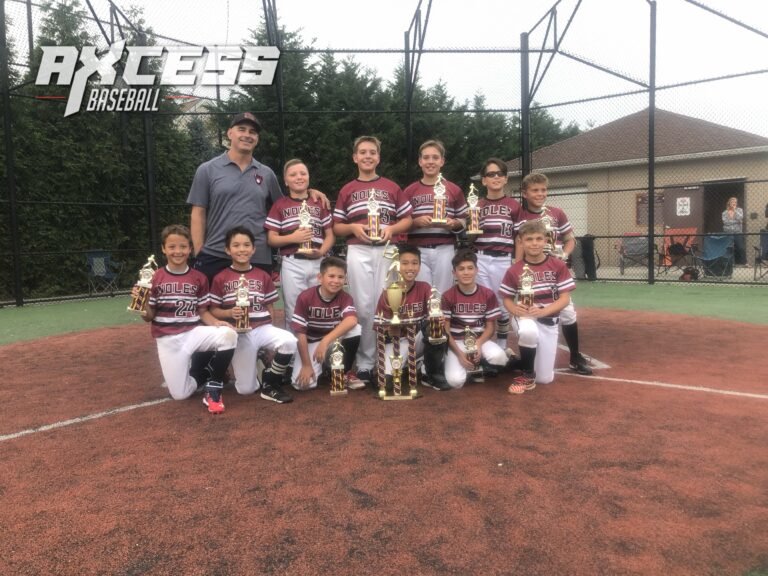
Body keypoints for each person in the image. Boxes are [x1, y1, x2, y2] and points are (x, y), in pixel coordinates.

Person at [187, 112, 329, 281]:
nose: (247, 135)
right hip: (216, 253)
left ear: (257, 139)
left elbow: (286, 205)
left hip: (257, 255)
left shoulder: (266, 173)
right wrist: (199, 251)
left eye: (252, 132)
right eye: (242, 129)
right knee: (211, 300)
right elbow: (198, 213)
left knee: (257, 300)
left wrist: (309, 192)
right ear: (230, 133)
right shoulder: (207, 169)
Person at [332, 136, 413, 385]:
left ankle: (386, 360)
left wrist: (392, 229)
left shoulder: (392, 187)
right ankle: (366, 363)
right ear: (355, 157)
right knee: (363, 305)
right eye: (363, 152)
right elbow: (337, 226)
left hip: (387, 249)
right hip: (359, 249)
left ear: (378, 157)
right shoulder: (347, 189)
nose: (367, 156)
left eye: (372, 152)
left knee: (387, 303)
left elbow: (407, 219)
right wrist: (353, 228)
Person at [135, 224, 237, 414]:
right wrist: (141, 304)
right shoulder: (155, 277)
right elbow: (149, 317)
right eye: (172, 247)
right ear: (163, 249)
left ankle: (213, 387)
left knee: (228, 335)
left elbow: (202, 312)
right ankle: (204, 373)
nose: (178, 251)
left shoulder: (198, 277)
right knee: (180, 395)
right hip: (168, 339)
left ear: (190, 249)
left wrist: (216, 323)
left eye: (183, 246)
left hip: (192, 333)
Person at [514, 172, 592, 376]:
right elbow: (519, 245)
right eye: (535, 190)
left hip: (555, 271)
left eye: (544, 190)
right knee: (529, 311)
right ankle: (527, 357)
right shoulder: (520, 216)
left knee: (567, 312)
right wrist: (519, 268)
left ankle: (575, 356)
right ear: (525, 193)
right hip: (531, 273)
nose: (540, 194)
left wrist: (564, 254)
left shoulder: (557, 213)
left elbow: (570, 239)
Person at [209, 226, 297, 404]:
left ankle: (271, 383)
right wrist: (229, 312)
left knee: (289, 341)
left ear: (253, 249)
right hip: (240, 334)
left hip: (262, 327)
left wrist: (271, 336)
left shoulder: (262, 275)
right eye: (236, 245)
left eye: (246, 245)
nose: (242, 249)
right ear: (228, 250)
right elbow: (213, 310)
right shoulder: (220, 278)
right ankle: (258, 361)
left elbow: (270, 306)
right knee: (246, 390)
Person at [501, 220, 575, 394]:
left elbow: (565, 299)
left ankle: (514, 362)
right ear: (521, 242)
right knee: (528, 332)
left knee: (544, 379)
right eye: (529, 239)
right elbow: (507, 298)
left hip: (549, 320)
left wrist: (544, 311)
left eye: (538, 239)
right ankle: (527, 375)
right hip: (525, 317)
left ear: (546, 240)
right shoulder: (515, 269)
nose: (534, 243)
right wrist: (514, 309)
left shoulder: (558, 265)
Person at [265, 159, 335, 327]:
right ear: (285, 181)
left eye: (303, 173)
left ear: (309, 177)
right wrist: (293, 238)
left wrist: (322, 251)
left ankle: (318, 344)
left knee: (319, 308)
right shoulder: (280, 205)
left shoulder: (319, 202)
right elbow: (271, 238)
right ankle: (295, 345)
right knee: (294, 311)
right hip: (292, 262)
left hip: (318, 261)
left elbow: (330, 235)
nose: (299, 177)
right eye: (293, 174)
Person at [373, 245, 451, 391]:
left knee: (434, 329)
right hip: (397, 342)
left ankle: (432, 374)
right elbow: (379, 330)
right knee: (385, 384)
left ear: (420, 266)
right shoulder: (388, 292)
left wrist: (438, 319)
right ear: (398, 266)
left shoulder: (425, 288)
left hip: (418, 339)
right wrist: (389, 330)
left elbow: (434, 315)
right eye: (405, 263)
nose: (410, 267)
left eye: (415, 263)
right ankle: (411, 364)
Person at [290, 256, 363, 391]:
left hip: (331, 341)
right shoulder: (306, 297)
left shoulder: (345, 297)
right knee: (302, 385)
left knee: (355, 329)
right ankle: (324, 367)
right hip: (311, 342)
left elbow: (351, 320)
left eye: (340, 277)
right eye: (331, 276)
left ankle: (343, 372)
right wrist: (306, 365)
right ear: (320, 277)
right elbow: (300, 333)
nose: (336, 281)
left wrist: (325, 341)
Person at [404, 140, 467, 293]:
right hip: (417, 249)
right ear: (420, 161)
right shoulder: (409, 191)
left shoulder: (454, 189)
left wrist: (453, 223)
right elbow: (402, 222)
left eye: (435, 157)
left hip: (445, 248)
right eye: (426, 157)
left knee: (443, 293)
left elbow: (464, 220)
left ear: (442, 161)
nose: (430, 161)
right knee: (421, 292)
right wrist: (415, 222)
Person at [473, 158, 521, 353]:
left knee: (502, 303)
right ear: (484, 180)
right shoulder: (476, 205)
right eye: (491, 174)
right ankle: (480, 347)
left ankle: (502, 346)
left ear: (506, 179)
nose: (496, 177)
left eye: (500, 174)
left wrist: (517, 263)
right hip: (481, 257)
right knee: (481, 301)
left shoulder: (514, 205)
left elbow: (519, 237)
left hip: (503, 258)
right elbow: (470, 235)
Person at [441, 249, 508, 389]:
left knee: (500, 358)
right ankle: (464, 365)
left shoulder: (488, 294)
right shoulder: (447, 296)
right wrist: (460, 355)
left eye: (470, 268)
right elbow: (446, 331)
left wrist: (478, 344)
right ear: (454, 273)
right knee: (455, 382)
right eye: (461, 269)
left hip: (479, 340)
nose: (466, 272)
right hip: (457, 342)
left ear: (477, 270)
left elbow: (490, 327)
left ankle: (479, 363)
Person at [722, 197, 746, 265]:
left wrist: (735, 210)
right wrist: (737, 222)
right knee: (729, 248)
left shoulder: (739, 210)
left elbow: (740, 218)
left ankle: (743, 263)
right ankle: (730, 263)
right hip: (728, 232)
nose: (734, 203)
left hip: (738, 232)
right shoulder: (725, 212)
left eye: (735, 202)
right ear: (729, 203)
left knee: (740, 247)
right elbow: (725, 222)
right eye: (732, 202)